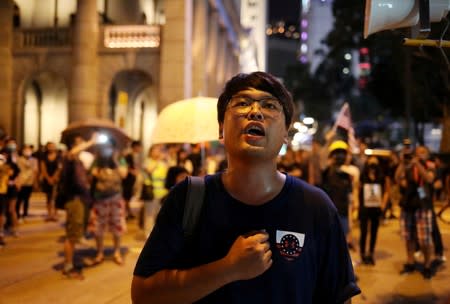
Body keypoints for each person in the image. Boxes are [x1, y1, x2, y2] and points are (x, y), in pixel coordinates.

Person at [131, 71, 360, 303]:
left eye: (270, 106)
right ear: (221, 128)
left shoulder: (315, 207)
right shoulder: (188, 198)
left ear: (285, 135)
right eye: (242, 103)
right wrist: (228, 269)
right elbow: (143, 295)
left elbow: (339, 297)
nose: (255, 112)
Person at [395, 144, 436, 279]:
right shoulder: (407, 166)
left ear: (427, 154)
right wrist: (402, 162)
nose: (419, 154)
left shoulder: (429, 165)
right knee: (409, 237)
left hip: (423, 206)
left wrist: (417, 164)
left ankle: (427, 265)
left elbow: (428, 179)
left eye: (422, 152)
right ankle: (410, 262)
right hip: (408, 206)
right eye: (416, 152)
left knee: (424, 240)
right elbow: (397, 178)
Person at [60, 134, 96, 279]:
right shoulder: (69, 159)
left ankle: (71, 262)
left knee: (77, 233)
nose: (81, 144)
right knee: (72, 235)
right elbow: (72, 153)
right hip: (74, 201)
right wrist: (91, 141)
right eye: (78, 142)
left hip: (82, 199)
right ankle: (68, 267)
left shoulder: (79, 162)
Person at [87, 142, 127, 266]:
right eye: (105, 147)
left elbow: (124, 174)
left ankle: (117, 252)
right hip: (100, 198)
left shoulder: (120, 159)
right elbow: (91, 175)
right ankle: (100, 252)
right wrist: (99, 168)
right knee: (98, 226)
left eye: (109, 147)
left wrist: (115, 160)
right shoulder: (97, 160)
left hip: (116, 198)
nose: (107, 150)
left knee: (117, 226)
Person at [358, 156, 389, 265]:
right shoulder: (363, 176)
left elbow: (386, 191)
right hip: (364, 207)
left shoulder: (381, 177)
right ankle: (362, 254)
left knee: (374, 231)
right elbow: (357, 188)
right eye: (370, 163)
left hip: (376, 208)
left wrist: (383, 204)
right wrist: (357, 204)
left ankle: (371, 253)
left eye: (375, 163)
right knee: (364, 231)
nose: (372, 166)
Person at [40, 142, 62, 221]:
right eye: (49, 146)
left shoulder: (59, 156)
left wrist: (54, 177)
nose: (51, 147)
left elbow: (59, 168)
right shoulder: (44, 156)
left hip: (56, 179)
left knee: (56, 197)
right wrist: (48, 178)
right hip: (47, 179)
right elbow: (43, 168)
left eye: (53, 146)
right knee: (48, 197)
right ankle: (49, 214)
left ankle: (55, 213)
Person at [16, 145, 38, 221]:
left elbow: (35, 171)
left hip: (29, 182)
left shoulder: (34, 160)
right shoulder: (18, 159)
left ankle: (25, 214)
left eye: (29, 150)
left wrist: (35, 182)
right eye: (26, 150)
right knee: (19, 199)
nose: (27, 152)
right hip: (20, 182)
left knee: (26, 199)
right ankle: (17, 214)